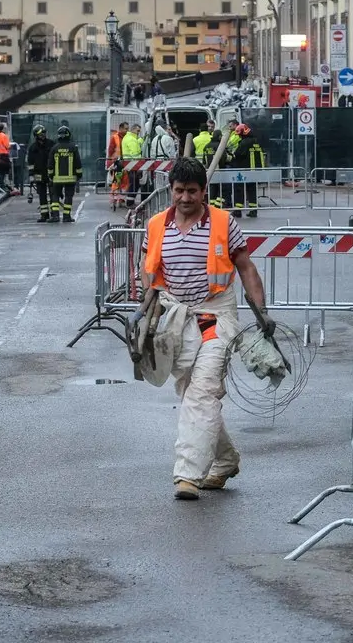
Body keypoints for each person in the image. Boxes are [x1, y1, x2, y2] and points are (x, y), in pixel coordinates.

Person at [139, 158, 277, 500]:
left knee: (203, 390)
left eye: (192, 191)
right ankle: (225, 461)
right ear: (171, 190)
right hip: (177, 316)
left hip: (217, 315)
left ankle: (187, 474)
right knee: (189, 391)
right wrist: (147, 311)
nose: (185, 198)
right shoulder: (157, 225)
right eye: (179, 191)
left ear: (204, 192)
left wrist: (262, 312)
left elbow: (245, 268)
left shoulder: (223, 223)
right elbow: (148, 271)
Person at [229, 123, 266, 218]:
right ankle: (253, 211)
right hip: (253, 171)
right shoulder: (255, 141)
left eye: (240, 135)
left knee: (239, 190)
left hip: (243, 170)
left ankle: (238, 211)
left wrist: (230, 155)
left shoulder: (244, 143)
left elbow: (237, 154)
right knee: (252, 190)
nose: (239, 136)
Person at [50, 125, 83, 222]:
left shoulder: (54, 148)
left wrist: (50, 175)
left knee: (55, 196)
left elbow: (50, 163)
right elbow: (78, 162)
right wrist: (79, 175)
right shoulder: (73, 148)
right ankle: (66, 216)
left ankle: (55, 216)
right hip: (70, 179)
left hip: (57, 178)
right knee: (68, 197)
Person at [26, 124, 55, 222]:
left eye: (44, 133)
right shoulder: (32, 148)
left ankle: (54, 214)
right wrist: (31, 175)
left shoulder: (51, 144)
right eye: (40, 134)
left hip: (51, 173)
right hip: (38, 174)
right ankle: (44, 214)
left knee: (53, 194)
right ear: (36, 135)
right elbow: (30, 163)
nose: (43, 135)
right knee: (42, 195)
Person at [122, 123, 146, 208]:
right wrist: (140, 166)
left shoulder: (130, 138)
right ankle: (130, 203)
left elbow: (137, 143)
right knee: (134, 184)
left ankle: (130, 201)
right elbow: (135, 154)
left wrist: (143, 139)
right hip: (133, 165)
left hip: (130, 165)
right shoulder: (131, 140)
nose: (139, 132)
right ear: (133, 130)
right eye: (137, 131)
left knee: (134, 183)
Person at [106, 121, 128, 208]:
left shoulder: (127, 137)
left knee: (124, 182)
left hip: (125, 163)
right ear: (121, 128)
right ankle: (115, 199)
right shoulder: (114, 137)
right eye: (126, 128)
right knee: (116, 181)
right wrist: (110, 164)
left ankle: (121, 199)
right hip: (116, 163)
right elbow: (110, 151)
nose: (127, 130)